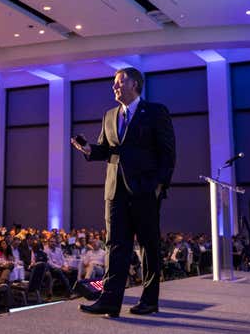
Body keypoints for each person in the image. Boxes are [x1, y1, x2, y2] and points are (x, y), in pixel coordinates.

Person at [72, 67, 175, 317]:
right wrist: (87, 149)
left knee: (148, 247)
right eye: (114, 83)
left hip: (145, 190)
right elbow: (106, 150)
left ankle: (150, 300)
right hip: (115, 190)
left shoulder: (155, 111)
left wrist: (159, 186)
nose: (115, 86)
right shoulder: (110, 115)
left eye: (120, 82)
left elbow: (168, 152)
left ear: (135, 84)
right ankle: (110, 301)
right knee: (115, 245)